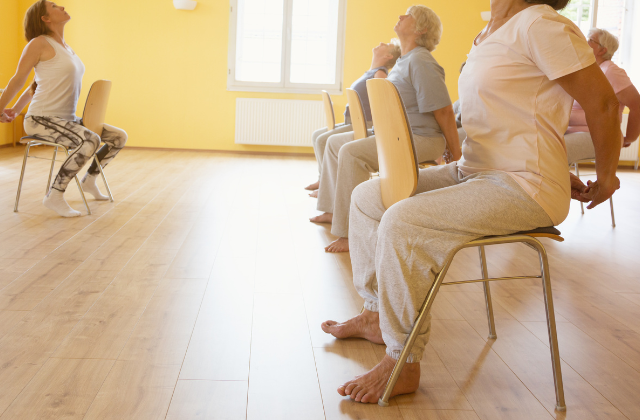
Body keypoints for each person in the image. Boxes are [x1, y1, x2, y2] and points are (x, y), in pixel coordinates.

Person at [322, 0, 621, 404]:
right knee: (368, 197)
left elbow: (604, 102)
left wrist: (606, 176)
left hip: (523, 184)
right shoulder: (490, 35)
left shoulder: (541, 23)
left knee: (403, 220)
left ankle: (403, 356)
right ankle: (377, 315)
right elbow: (510, 112)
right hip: (476, 170)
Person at [311, 5, 461, 253]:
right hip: (399, 134)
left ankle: (350, 234)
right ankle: (331, 209)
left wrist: (454, 154)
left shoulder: (422, 60)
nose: (401, 16)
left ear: (421, 28)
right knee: (335, 143)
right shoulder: (405, 61)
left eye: (408, 15)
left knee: (351, 153)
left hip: (421, 136)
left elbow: (443, 111)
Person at [0, 0, 127, 217]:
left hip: (65, 120)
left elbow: (36, 86)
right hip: (41, 119)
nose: (61, 7)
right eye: (54, 6)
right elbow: (19, 80)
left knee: (118, 137)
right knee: (89, 140)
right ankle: (55, 195)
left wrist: (13, 109)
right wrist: (2, 107)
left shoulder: (66, 48)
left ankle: (89, 181)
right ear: (45, 18)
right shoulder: (38, 43)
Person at [306, 41, 401, 196]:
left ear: (388, 55)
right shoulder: (371, 71)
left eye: (386, 44)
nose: (382, 42)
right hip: (353, 121)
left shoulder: (380, 74)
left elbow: (383, 103)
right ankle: (324, 181)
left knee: (323, 140)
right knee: (318, 136)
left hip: (365, 123)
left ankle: (328, 188)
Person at [565, 28, 640, 164]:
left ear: (602, 50)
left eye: (590, 40)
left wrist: (629, 138)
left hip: (596, 136)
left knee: (551, 150)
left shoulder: (611, 71)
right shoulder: (590, 70)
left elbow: (637, 104)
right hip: (570, 131)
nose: (585, 42)